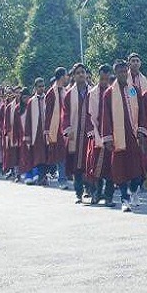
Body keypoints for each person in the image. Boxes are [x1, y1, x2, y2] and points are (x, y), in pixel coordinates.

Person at [101, 60, 147, 212]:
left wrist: (142, 131)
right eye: (119, 72)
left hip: (133, 135)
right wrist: (108, 137)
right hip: (118, 137)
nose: (122, 74)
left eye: (124, 71)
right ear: (115, 73)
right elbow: (106, 117)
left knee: (136, 171)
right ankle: (124, 199)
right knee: (120, 169)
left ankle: (133, 191)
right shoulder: (109, 93)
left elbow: (142, 111)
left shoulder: (134, 90)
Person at [62, 63, 91, 203]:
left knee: (89, 162)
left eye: (83, 72)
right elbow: (65, 114)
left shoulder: (93, 92)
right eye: (78, 72)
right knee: (76, 165)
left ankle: (90, 190)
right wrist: (67, 130)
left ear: (86, 74)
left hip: (90, 133)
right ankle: (78, 192)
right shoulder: (69, 95)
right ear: (73, 76)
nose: (80, 74)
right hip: (75, 134)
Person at [85, 65, 113, 205]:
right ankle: (96, 193)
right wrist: (92, 133)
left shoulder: (114, 92)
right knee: (96, 167)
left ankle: (108, 197)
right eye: (101, 78)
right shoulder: (92, 93)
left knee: (110, 168)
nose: (104, 81)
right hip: (96, 133)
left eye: (106, 79)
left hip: (111, 134)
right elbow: (88, 115)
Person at [45, 67, 70, 189]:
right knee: (60, 154)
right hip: (56, 128)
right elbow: (48, 113)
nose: (68, 78)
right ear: (61, 77)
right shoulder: (51, 93)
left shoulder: (65, 91)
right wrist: (47, 130)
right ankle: (62, 179)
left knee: (64, 154)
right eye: (66, 75)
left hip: (65, 126)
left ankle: (64, 176)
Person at [24, 79, 51, 186]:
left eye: (43, 86)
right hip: (36, 132)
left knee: (47, 155)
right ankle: (41, 177)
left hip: (47, 131)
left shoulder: (48, 98)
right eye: (39, 86)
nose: (41, 88)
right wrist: (28, 135)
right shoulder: (31, 101)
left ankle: (43, 176)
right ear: (35, 87)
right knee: (39, 156)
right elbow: (28, 120)